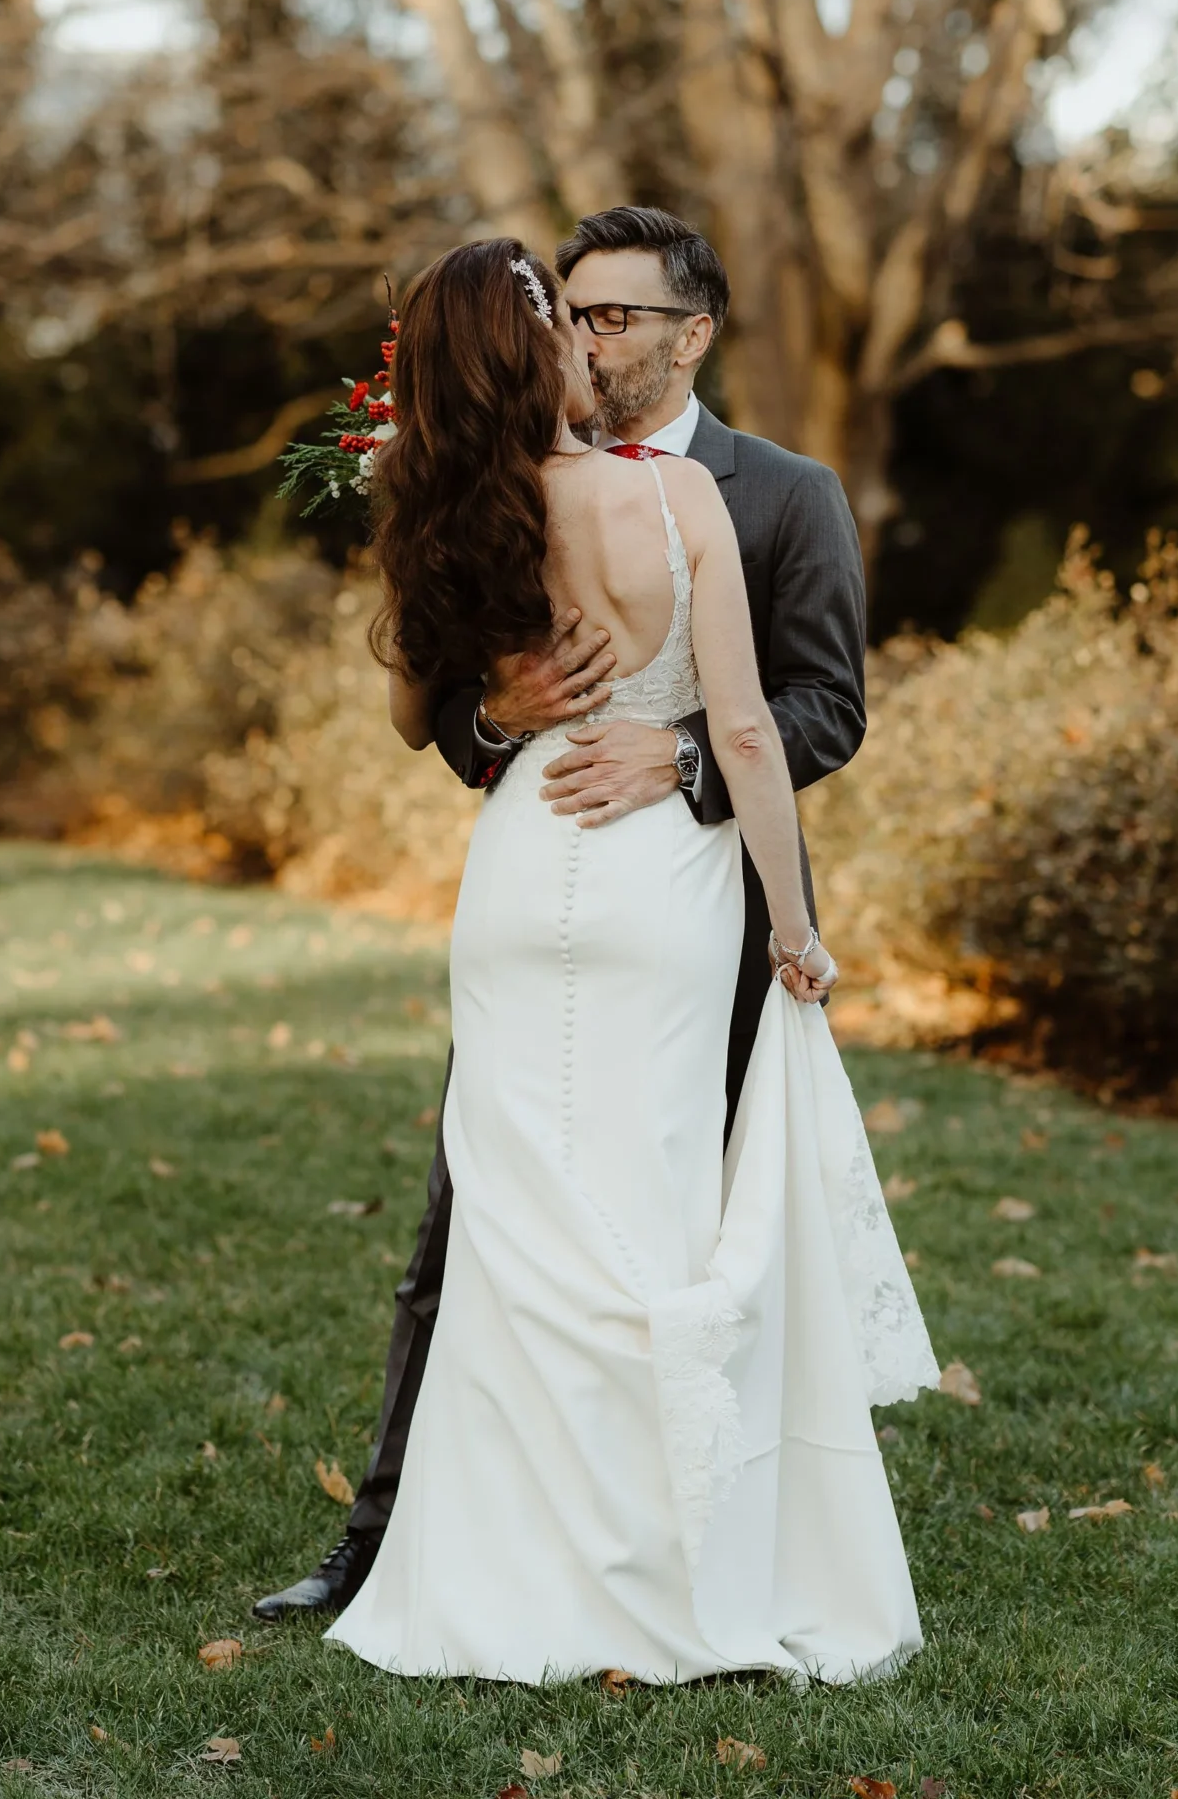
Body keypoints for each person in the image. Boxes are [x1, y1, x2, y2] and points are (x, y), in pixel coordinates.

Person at [259, 229, 936, 1680]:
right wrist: (503, 714)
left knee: (580, 1215)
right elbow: (463, 724)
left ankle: (548, 1557)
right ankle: (453, 1537)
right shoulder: (613, 494)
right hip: (609, 882)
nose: (593, 334)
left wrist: (669, 754)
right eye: (574, 313)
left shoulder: (762, 492)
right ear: (543, 339)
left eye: (621, 313)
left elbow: (820, 708)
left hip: (602, 873)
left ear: (694, 332)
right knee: (523, 1218)